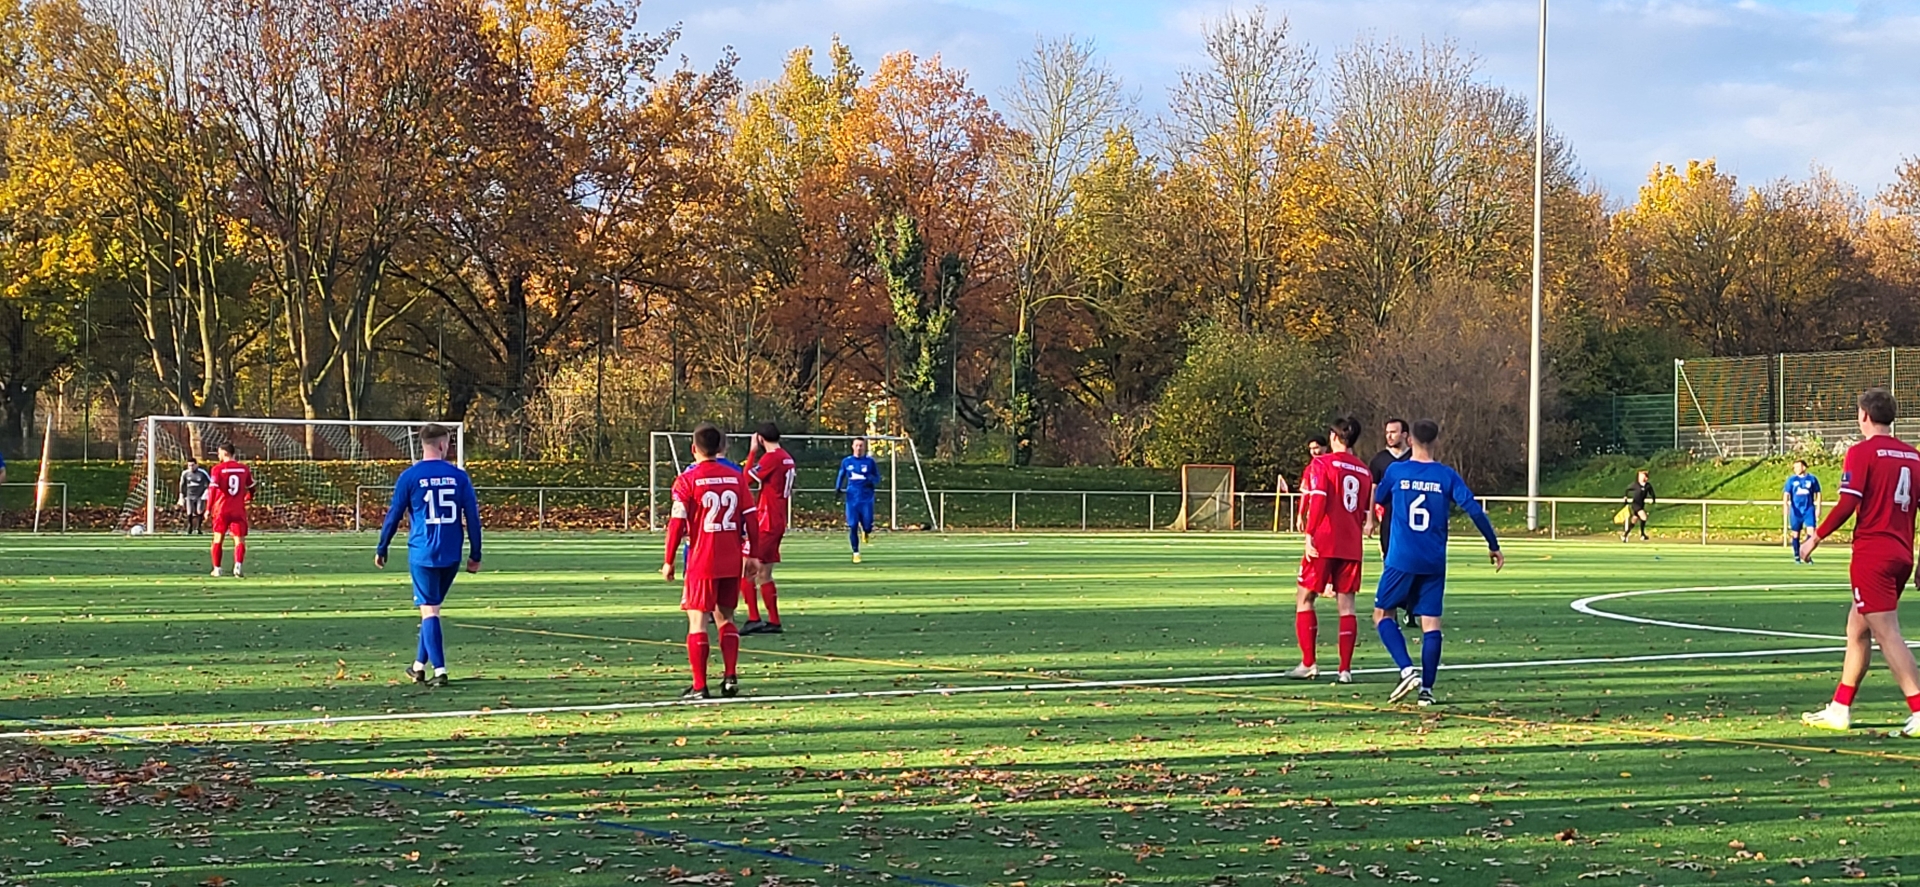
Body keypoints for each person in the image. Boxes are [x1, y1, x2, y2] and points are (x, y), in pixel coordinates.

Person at [1799, 390, 1920, 737]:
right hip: (1901, 555)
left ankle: (1919, 707)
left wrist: (1815, 537)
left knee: (1887, 633)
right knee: (1857, 628)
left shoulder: (1861, 452)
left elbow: (1847, 504)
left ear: (1864, 415)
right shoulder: (1914, 456)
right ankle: (1840, 708)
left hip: (1873, 556)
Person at [1372, 420, 1503, 707]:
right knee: (1431, 624)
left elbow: (1379, 496)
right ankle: (1427, 691)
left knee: (1382, 615)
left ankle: (1407, 671)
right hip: (1433, 559)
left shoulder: (1396, 471)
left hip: (1401, 558)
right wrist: (1493, 544)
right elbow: (1474, 510)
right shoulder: (1446, 475)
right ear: (1435, 442)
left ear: (1410, 440)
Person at [375, 423, 482, 688]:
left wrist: (382, 547)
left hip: (422, 552)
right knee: (431, 609)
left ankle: (440, 671)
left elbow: (394, 515)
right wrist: (475, 553)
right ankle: (418, 667)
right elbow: (473, 517)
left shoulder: (410, 476)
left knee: (429, 610)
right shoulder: (459, 477)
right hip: (451, 553)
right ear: (443, 445)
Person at [662, 423, 759, 699]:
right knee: (726, 618)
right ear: (721, 448)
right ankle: (730, 678)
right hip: (731, 558)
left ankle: (699, 686)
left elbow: (677, 523)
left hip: (701, 559)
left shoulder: (686, 481)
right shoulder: (736, 478)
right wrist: (752, 554)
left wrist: (669, 560)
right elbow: (751, 518)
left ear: (694, 449)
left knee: (698, 621)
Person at [1289, 417, 1373, 684]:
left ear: (1334, 437)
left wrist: (1309, 534)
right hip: (1352, 543)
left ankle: (1309, 663)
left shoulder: (1322, 463)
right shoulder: (1364, 470)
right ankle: (1345, 669)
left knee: (1305, 597)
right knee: (1347, 606)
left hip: (1325, 539)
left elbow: (1319, 499)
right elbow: (1363, 510)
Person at [743, 422, 795, 635]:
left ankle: (754, 618)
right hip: (778, 519)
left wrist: (752, 452)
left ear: (760, 438)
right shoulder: (786, 457)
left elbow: (745, 479)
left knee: (747, 568)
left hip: (767, 520)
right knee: (764, 572)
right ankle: (773, 621)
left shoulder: (771, 458)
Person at [207, 443, 255, 578]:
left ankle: (217, 569)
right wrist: (249, 497)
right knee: (239, 540)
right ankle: (238, 566)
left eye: (219, 453)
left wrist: (208, 508)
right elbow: (252, 487)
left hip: (221, 509)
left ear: (225, 453)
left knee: (218, 539)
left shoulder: (218, 469)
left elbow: (212, 489)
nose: (218, 456)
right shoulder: (244, 469)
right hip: (238, 509)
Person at [1367, 419, 1411, 555]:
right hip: (1388, 519)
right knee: (1389, 557)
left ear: (1404, 434)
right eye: (1387, 433)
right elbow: (1372, 490)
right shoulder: (1379, 459)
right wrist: (1370, 520)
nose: (1389, 436)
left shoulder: (1415, 457)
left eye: (1393, 432)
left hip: (1411, 519)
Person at [836, 437, 880, 563]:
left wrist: (869, 479)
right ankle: (856, 552)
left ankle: (866, 531)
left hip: (866, 498)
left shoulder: (870, 462)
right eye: (856, 445)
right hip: (852, 498)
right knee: (853, 525)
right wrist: (838, 488)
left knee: (867, 525)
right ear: (852, 446)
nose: (859, 448)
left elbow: (877, 478)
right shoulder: (847, 461)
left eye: (861, 445)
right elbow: (841, 475)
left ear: (864, 447)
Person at [1784, 460, 1823, 562]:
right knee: (1795, 534)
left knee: (1811, 532)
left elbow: (1818, 493)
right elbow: (1786, 494)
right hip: (1796, 510)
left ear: (1804, 467)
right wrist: (1785, 506)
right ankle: (1797, 555)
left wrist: (1818, 508)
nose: (1795, 469)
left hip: (1808, 509)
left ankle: (1805, 553)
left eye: (1798, 467)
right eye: (1794, 467)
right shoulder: (1791, 480)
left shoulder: (1812, 479)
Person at [1292, 436, 1328, 530]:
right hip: (1315, 514)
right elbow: (1305, 493)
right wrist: (1300, 515)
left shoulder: (1332, 466)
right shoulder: (1310, 469)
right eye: (1311, 449)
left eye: (1316, 448)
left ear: (1325, 448)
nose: (1313, 452)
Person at [178, 458, 211, 535]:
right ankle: (190, 527)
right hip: (189, 495)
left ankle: (198, 528)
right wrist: (181, 495)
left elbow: (210, 482)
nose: (191, 467)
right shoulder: (185, 473)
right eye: (189, 465)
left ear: (196, 465)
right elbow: (182, 485)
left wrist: (206, 492)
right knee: (189, 512)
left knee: (199, 511)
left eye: (192, 465)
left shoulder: (202, 473)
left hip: (200, 495)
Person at [1622, 470, 1655, 541]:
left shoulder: (1647, 486)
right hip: (1636, 504)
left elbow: (1652, 493)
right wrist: (1625, 497)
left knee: (1633, 521)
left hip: (1641, 504)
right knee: (1644, 517)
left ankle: (1625, 535)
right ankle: (1642, 535)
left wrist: (1653, 500)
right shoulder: (1636, 485)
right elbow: (1627, 489)